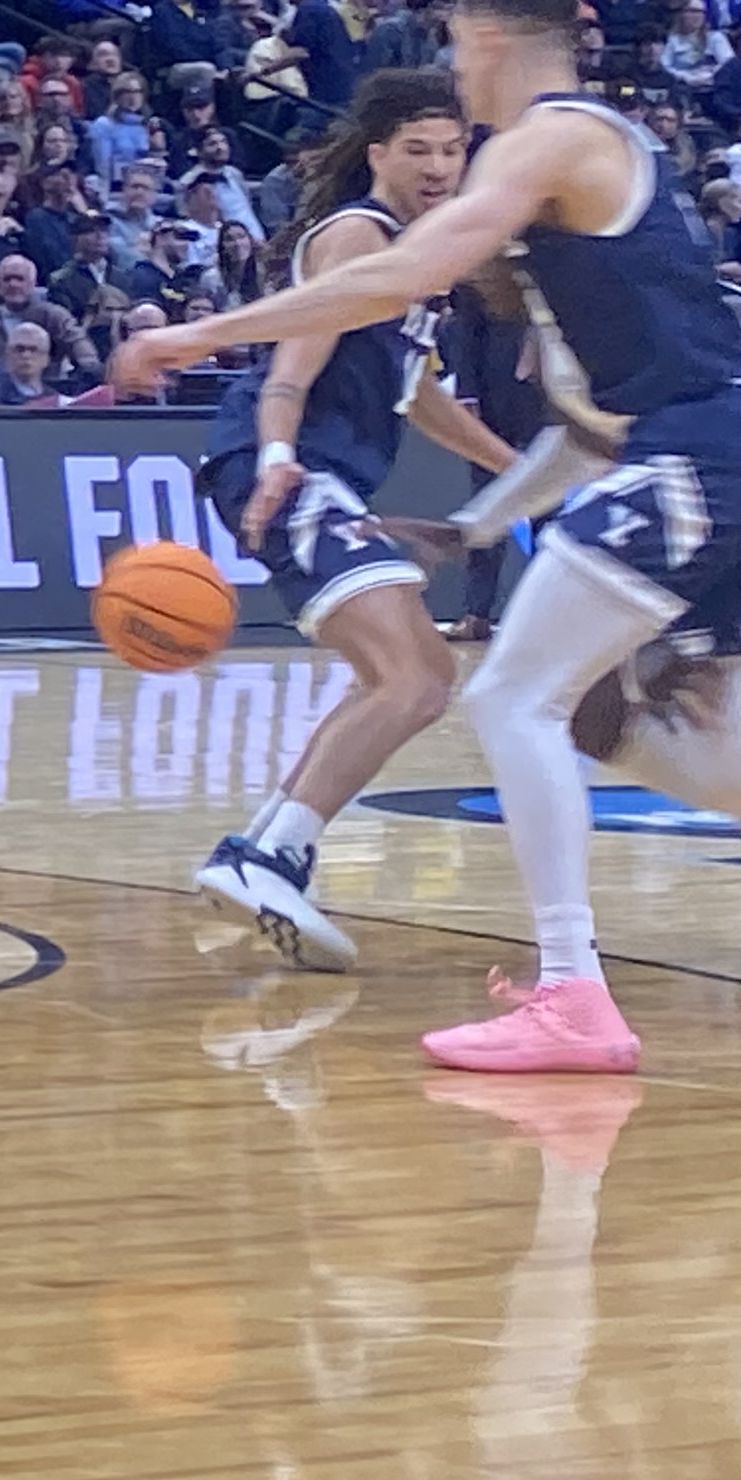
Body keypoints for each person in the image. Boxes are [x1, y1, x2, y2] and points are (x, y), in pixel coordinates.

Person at [119, 0, 741, 1075]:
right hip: (694, 452)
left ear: (487, 39)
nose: (456, 78)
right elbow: (590, 425)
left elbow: (397, 280)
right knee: (679, 735)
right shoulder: (600, 167)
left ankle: (571, 995)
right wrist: (473, 527)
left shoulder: (551, 138)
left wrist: (194, 337)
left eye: (457, 50)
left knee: (513, 692)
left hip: (701, 455)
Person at [178, 71, 515, 970]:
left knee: (402, 676)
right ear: (376, 155)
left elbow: (420, 394)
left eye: (452, 149)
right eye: (419, 150)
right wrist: (281, 452)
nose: (440, 166)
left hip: (319, 472)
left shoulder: (418, 258)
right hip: (285, 463)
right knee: (417, 676)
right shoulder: (360, 236)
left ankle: (261, 849)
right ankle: (270, 855)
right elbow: (294, 363)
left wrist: (519, 475)